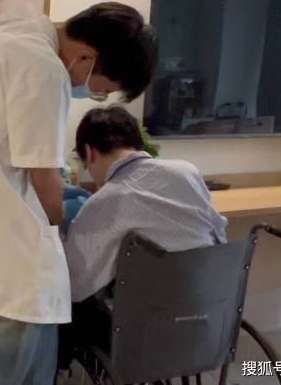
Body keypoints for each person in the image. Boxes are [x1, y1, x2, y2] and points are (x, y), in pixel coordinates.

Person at [0, 3, 158, 385]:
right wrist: (62, 223)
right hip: (12, 270)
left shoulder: (0, 38)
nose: (93, 95)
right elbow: (45, 181)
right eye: (102, 90)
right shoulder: (44, 68)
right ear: (86, 58)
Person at [58, 105, 228, 371]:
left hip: (143, 334)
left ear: (89, 152)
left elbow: (78, 285)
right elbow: (218, 232)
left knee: (66, 302)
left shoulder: (105, 201)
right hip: (207, 318)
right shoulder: (188, 171)